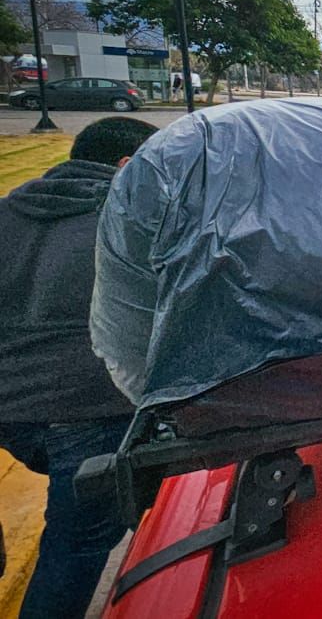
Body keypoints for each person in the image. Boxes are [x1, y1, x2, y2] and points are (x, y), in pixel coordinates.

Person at [0, 117, 158, 619]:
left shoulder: (8, 212)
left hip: (9, 405)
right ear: (128, 167)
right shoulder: (127, 225)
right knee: (76, 547)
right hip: (86, 411)